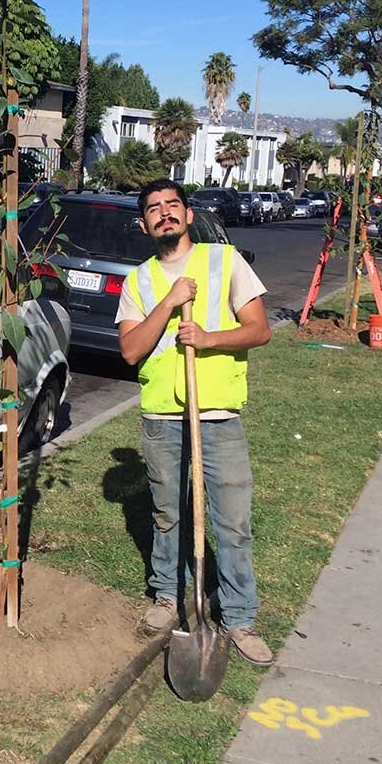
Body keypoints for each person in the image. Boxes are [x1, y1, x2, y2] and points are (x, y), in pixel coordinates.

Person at [116, 179, 273, 666]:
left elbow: (259, 330)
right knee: (167, 514)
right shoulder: (139, 281)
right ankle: (167, 596)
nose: (164, 214)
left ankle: (239, 617)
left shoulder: (225, 262)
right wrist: (167, 303)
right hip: (163, 415)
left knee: (232, 519)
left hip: (216, 413)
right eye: (153, 209)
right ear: (144, 225)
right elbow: (130, 350)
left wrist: (205, 338)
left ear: (187, 214)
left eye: (171, 205)